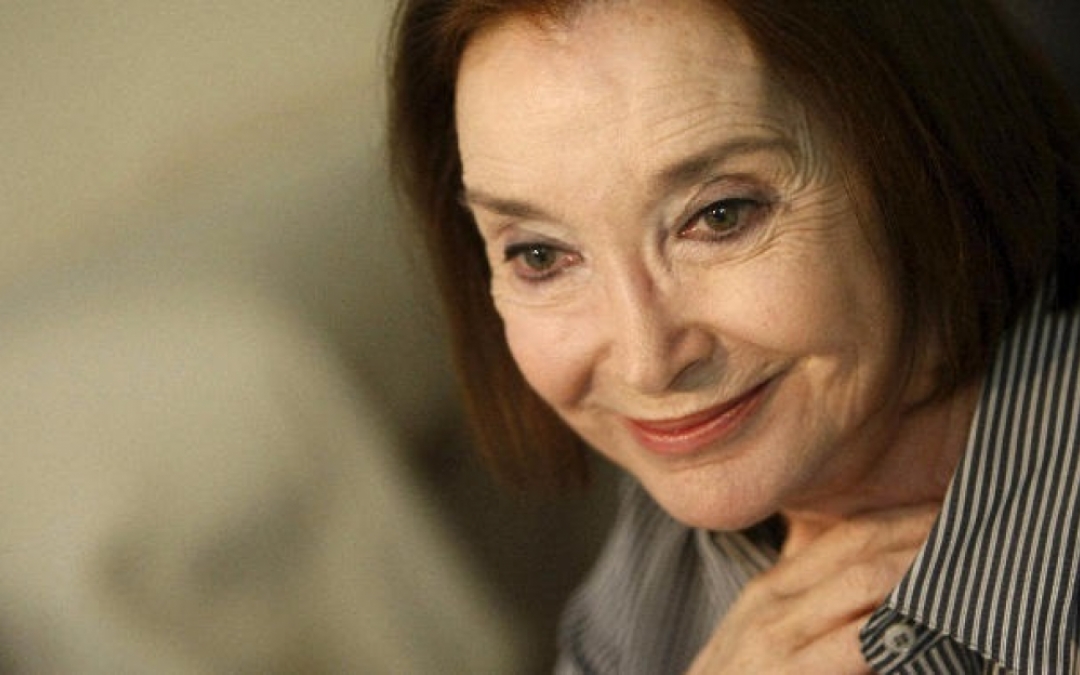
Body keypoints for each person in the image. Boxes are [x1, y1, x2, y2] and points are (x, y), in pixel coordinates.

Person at [386, 0, 1080, 672]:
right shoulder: (667, 545)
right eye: (541, 256)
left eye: (720, 216)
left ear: (927, 154)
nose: (647, 364)